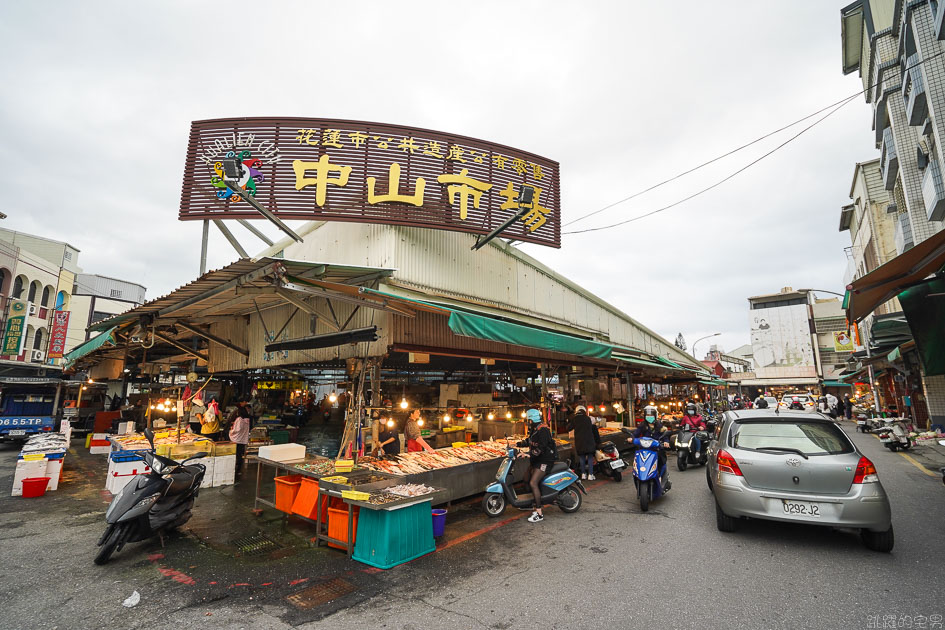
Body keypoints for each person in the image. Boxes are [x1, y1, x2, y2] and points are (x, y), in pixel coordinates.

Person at [518, 409, 556, 523]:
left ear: (532, 419)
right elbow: (530, 441)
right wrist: (517, 444)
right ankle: (530, 503)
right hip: (536, 460)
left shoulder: (543, 429)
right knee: (525, 479)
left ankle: (539, 513)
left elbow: (542, 448)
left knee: (533, 483)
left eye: (528, 419)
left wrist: (528, 454)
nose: (527, 422)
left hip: (545, 460)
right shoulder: (535, 429)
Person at [633, 412, 672, 485]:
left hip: (656, 448)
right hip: (644, 448)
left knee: (661, 459)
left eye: (651, 415)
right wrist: (631, 438)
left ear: (655, 416)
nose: (649, 417)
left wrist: (666, 442)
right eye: (648, 415)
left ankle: (660, 475)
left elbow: (665, 436)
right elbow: (636, 434)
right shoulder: (642, 425)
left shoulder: (659, 425)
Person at [569, 405, 599, 481]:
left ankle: (583, 474)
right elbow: (593, 427)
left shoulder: (575, 419)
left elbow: (568, 428)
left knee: (582, 457)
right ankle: (591, 474)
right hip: (589, 440)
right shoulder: (588, 418)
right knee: (589, 457)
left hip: (580, 441)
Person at [229, 403, 250, 481]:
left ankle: (236, 469)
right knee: (240, 454)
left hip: (236, 439)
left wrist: (231, 431)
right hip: (243, 439)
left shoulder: (239, 419)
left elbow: (237, 429)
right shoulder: (247, 420)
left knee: (236, 454)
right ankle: (238, 470)